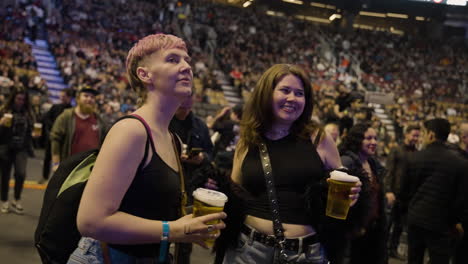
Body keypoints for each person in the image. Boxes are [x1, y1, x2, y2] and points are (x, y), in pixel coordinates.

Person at [67, 33, 226, 264]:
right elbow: (91, 221)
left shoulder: (172, 138)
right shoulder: (132, 131)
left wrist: (191, 223)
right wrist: (173, 230)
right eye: (173, 59)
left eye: (187, 60)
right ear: (144, 74)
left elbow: (147, 206)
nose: (187, 67)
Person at [218, 64, 361, 264]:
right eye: (285, 90)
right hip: (248, 251)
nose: (292, 98)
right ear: (266, 94)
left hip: (306, 254)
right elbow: (235, 192)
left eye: (299, 93)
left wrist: (355, 191)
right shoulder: (248, 139)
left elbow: (342, 184)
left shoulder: (320, 137)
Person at [401, 118, 468, 264]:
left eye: (424, 133)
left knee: (414, 259)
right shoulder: (460, 164)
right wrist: (455, 221)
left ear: (431, 135)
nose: (423, 137)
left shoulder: (415, 158)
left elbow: (404, 191)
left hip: (416, 219)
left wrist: (409, 212)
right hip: (442, 224)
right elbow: (461, 199)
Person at [169, 93, 214, 264]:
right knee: (162, 234)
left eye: (189, 105)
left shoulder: (199, 125)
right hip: (168, 183)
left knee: (187, 236)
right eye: (182, 105)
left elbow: (210, 153)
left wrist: (202, 158)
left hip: (191, 187)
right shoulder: (164, 121)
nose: (185, 109)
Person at [339, 122, 388, 264]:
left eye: (375, 138)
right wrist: (353, 227)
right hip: (353, 234)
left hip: (372, 230)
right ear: (357, 140)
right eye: (368, 138)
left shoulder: (372, 163)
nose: (374, 142)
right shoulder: (347, 162)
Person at [384, 124, 420, 259]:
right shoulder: (396, 150)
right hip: (394, 194)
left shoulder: (417, 154)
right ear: (406, 134)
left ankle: (392, 249)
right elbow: (389, 171)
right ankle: (381, 250)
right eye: (414, 135)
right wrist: (388, 191)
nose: (415, 138)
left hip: (408, 197)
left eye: (417, 136)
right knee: (387, 225)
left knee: (399, 226)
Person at [49, 86, 106, 172]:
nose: (89, 99)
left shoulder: (99, 120)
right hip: (69, 166)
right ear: (78, 98)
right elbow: (55, 139)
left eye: (92, 97)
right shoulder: (66, 116)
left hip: (90, 169)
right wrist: (56, 163)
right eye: (86, 96)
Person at [0, 89, 39, 214]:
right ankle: (4, 200)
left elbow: (32, 129)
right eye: (18, 99)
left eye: (23, 99)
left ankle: (16, 199)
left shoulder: (28, 112)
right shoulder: (4, 110)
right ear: (13, 98)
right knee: (5, 176)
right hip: (6, 147)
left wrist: (34, 135)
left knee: (21, 174)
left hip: (22, 148)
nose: (20, 102)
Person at [40, 88, 73, 183]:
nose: (62, 98)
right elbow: (46, 119)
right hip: (52, 136)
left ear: (69, 97)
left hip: (64, 139)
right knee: (47, 157)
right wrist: (53, 128)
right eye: (61, 96)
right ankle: (45, 177)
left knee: (62, 160)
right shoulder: (55, 107)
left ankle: (58, 180)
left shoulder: (72, 110)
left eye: (64, 96)